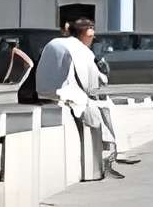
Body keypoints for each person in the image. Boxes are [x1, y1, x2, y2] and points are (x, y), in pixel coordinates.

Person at [34, 17, 139, 176]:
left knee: (97, 105)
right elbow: (91, 84)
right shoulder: (80, 50)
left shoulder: (56, 43)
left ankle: (109, 154)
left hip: (44, 91)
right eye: (91, 36)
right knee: (102, 108)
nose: (92, 40)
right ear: (85, 35)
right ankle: (108, 155)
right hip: (65, 94)